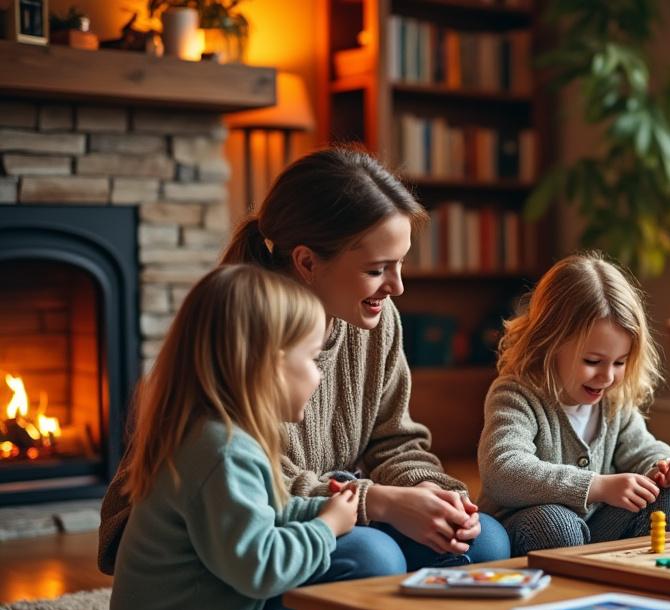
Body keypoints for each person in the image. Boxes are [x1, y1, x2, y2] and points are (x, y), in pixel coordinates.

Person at [97, 147, 510, 582]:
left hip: (320, 510)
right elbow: (250, 486)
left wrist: (431, 493)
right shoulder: (245, 331)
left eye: (400, 263)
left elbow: (394, 440)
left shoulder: (377, 319)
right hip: (223, 546)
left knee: (484, 543)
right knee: (373, 558)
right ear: (307, 262)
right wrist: (379, 502)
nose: (398, 286)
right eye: (377, 269)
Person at [110, 265, 360, 610]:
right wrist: (326, 529)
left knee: (358, 567)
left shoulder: (218, 436)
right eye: (313, 359)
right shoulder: (221, 452)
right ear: (265, 365)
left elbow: (262, 520)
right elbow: (259, 566)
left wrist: (322, 510)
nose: (319, 376)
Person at [478, 251, 670, 555]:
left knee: (665, 501)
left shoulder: (614, 400)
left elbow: (641, 448)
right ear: (550, 343)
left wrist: (665, 466)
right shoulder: (516, 394)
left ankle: (631, 583)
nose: (606, 376)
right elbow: (503, 471)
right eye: (593, 361)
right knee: (556, 524)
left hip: (592, 531)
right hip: (529, 524)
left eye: (619, 362)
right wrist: (597, 486)